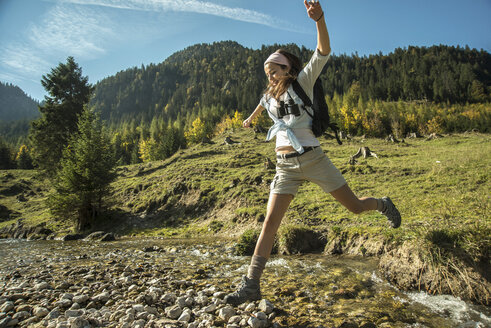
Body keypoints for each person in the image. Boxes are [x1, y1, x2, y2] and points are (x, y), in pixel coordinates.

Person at [224, 0, 401, 306]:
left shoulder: (303, 80)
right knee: (269, 224)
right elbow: (261, 101)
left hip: (314, 159)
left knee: (356, 207)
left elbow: (323, 51)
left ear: (287, 68)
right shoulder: (269, 94)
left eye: (274, 70)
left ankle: (382, 204)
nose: (270, 76)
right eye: (267, 72)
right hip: (284, 168)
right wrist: (251, 118)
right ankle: (252, 284)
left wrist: (319, 19)